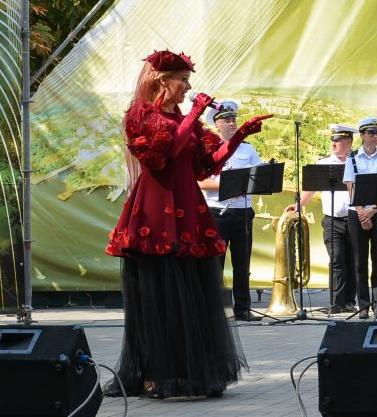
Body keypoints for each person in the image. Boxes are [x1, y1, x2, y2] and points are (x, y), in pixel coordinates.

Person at [105, 49, 270, 398]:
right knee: (158, 295)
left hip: (187, 208)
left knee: (191, 294)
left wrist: (238, 136)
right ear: (162, 81)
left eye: (187, 80)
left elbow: (203, 165)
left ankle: (186, 372)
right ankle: (153, 373)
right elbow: (159, 158)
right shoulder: (140, 115)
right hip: (155, 210)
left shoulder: (186, 119)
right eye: (182, 79)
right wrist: (194, 113)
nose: (187, 86)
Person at [199, 100, 263, 322]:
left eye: (234, 119)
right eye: (227, 120)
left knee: (242, 263)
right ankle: (213, 310)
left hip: (243, 212)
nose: (232, 123)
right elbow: (201, 182)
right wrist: (230, 186)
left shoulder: (247, 148)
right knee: (215, 264)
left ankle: (243, 309)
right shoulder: (209, 148)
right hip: (217, 213)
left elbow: (260, 176)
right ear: (217, 124)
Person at [286, 124, 357, 313]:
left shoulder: (357, 162)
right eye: (332, 140)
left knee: (353, 260)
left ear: (349, 142)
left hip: (354, 218)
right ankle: (336, 303)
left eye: (338, 140)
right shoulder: (324, 163)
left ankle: (350, 301)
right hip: (332, 220)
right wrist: (299, 205)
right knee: (337, 259)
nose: (334, 143)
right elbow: (311, 188)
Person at [343, 117, 377, 319]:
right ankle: (363, 304)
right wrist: (361, 212)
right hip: (357, 213)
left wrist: (372, 210)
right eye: (371, 133)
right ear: (363, 135)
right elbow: (350, 187)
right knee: (359, 261)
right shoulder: (353, 158)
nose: (375, 137)